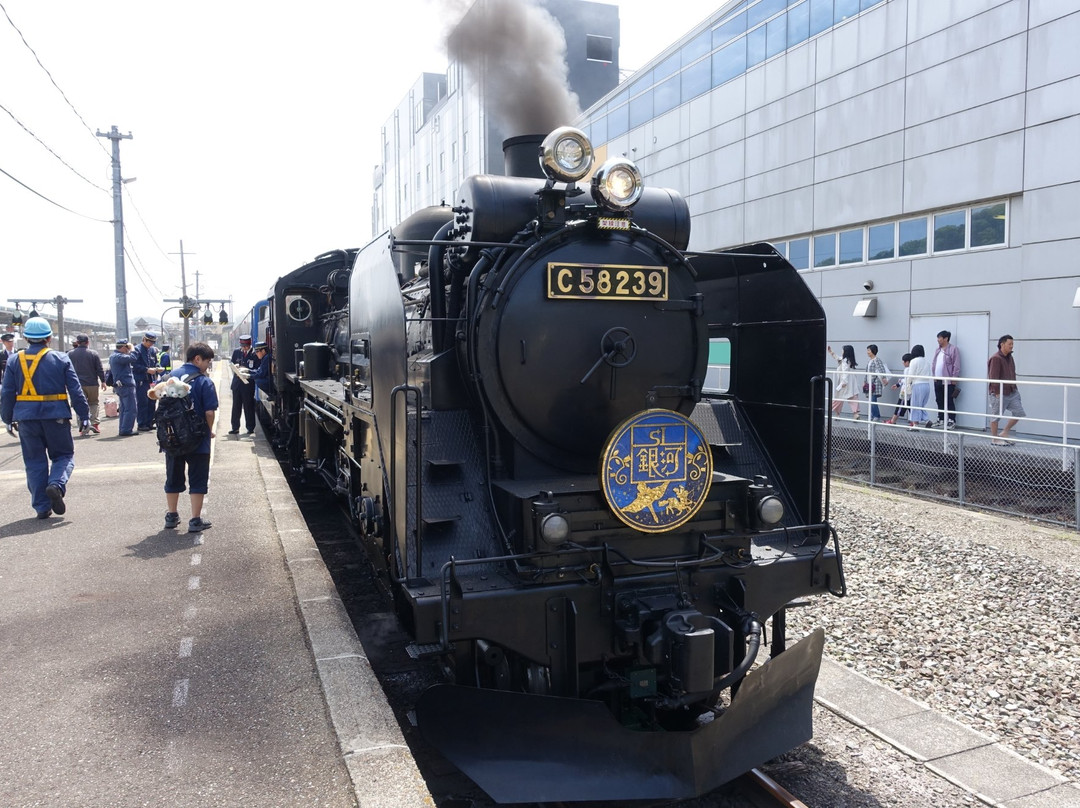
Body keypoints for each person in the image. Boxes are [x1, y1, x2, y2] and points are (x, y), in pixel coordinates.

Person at [0, 316, 91, 519]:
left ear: (26, 337)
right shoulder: (60, 358)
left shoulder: (15, 360)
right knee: (64, 456)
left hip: (26, 419)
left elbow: (6, 393)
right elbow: (75, 391)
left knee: (34, 462)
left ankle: (42, 507)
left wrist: (7, 418)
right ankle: (56, 485)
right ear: (49, 337)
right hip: (56, 416)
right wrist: (85, 416)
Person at [156, 341, 218, 532]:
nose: (208, 366)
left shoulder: (168, 377)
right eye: (207, 361)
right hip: (197, 439)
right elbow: (209, 412)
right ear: (197, 359)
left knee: (173, 477)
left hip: (172, 438)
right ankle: (195, 520)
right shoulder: (204, 381)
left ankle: (172, 515)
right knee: (198, 478)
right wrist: (210, 430)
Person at [987, 334, 1025, 446]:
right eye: (1010, 344)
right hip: (999, 393)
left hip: (1012, 391)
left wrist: (1015, 388)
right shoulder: (996, 358)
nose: (1012, 346)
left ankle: (1004, 432)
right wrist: (997, 393)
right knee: (996, 416)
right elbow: (993, 377)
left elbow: (1013, 373)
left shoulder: (1010, 357)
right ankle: (994, 439)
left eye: (1012, 344)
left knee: (1019, 412)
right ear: (1002, 344)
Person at [67, 334, 107, 434]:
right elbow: (99, 369)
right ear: (88, 342)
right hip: (92, 383)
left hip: (77, 385)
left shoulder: (70, 354)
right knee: (94, 403)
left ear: (77, 342)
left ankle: (83, 427)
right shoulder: (93, 353)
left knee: (79, 404)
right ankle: (94, 424)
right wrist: (103, 381)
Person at [132, 331, 163, 432]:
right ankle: (142, 423)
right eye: (149, 342)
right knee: (143, 402)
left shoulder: (152, 350)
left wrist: (158, 367)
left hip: (152, 379)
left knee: (152, 401)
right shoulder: (137, 350)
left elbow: (156, 361)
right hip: (141, 380)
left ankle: (149, 422)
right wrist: (146, 369)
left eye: (153, 342)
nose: (151, 344)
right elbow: (134, 365)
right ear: (144, 339)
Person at [229, 334, 259, 435]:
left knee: (248, 406)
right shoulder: (237, 352)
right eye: (243, 346)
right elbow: (232, 363)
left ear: (249, 345)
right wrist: (236, 366)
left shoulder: (254, 354)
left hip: (248, 384)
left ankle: (250, 427)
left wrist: (247, 371)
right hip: (237, 384)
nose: (244, 348)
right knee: (236, 406)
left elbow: (257, 369)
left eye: (246, 346)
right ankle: (235, 427)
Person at [931, 329, 961, 428]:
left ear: (946, 338)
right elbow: (934, 363)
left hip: (948, 381)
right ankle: (941, 419)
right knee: (939, 400)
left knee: (949, 400)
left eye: (939, 338)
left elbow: (956, 365)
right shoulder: (937, 350)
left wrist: (954, 378)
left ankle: (951, 420)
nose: (938, 340)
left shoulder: (953, 349)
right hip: (937, 380)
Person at [109, 339, 139, 436]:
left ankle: (123, 428)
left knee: (124, 409)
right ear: (123, 347)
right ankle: (126, 429)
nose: (128, 350)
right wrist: (133, 349)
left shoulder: (114, 356)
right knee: (130, 408)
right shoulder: (119, 357)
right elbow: (133, 358)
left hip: (121, 386)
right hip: (126, 386)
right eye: (127, 347)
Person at [827, 344, 860, 418]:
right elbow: (837, 358)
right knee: (853, 397)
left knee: (838, 396)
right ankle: (856, 414)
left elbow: (845, 371)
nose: (842, 351)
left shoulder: (845, 361)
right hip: (851, 382)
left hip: (844, 381)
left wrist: (844, 382)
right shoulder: (849, 360)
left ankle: (837, 414)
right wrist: (831, 351)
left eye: (842, 350)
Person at [906, 344, 933, 429]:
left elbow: (911, 374)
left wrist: (908, 383)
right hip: (926, 385)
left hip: (917, 384)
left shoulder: (914, 361)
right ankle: (926, 420)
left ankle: (915, 425)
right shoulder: (927, 362)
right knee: (921, 405)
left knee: (915, 405)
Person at [865, 344, 891, 422]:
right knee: (871, 399)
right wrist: (865, 381)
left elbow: (881, 370)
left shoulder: (877, 360)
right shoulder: (870, 361)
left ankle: (876, 415)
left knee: (873, 399)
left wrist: (883, 379)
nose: (867, 352)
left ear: (873, 351)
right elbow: (867, 372)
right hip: (869, 383)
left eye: (869, 350)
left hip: (875, 383)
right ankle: (873, 415)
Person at [886, 353, 912, 424]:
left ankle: (893, 420)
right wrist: (898, 384)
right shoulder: (912, 369)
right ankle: (914, 421)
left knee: (900, 406)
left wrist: (900, 381)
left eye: (904, 361)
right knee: (910, 406)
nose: (902, 362)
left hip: (905, 391)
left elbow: (907, 380)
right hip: (910, 391)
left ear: (908, 362)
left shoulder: (907, 369)